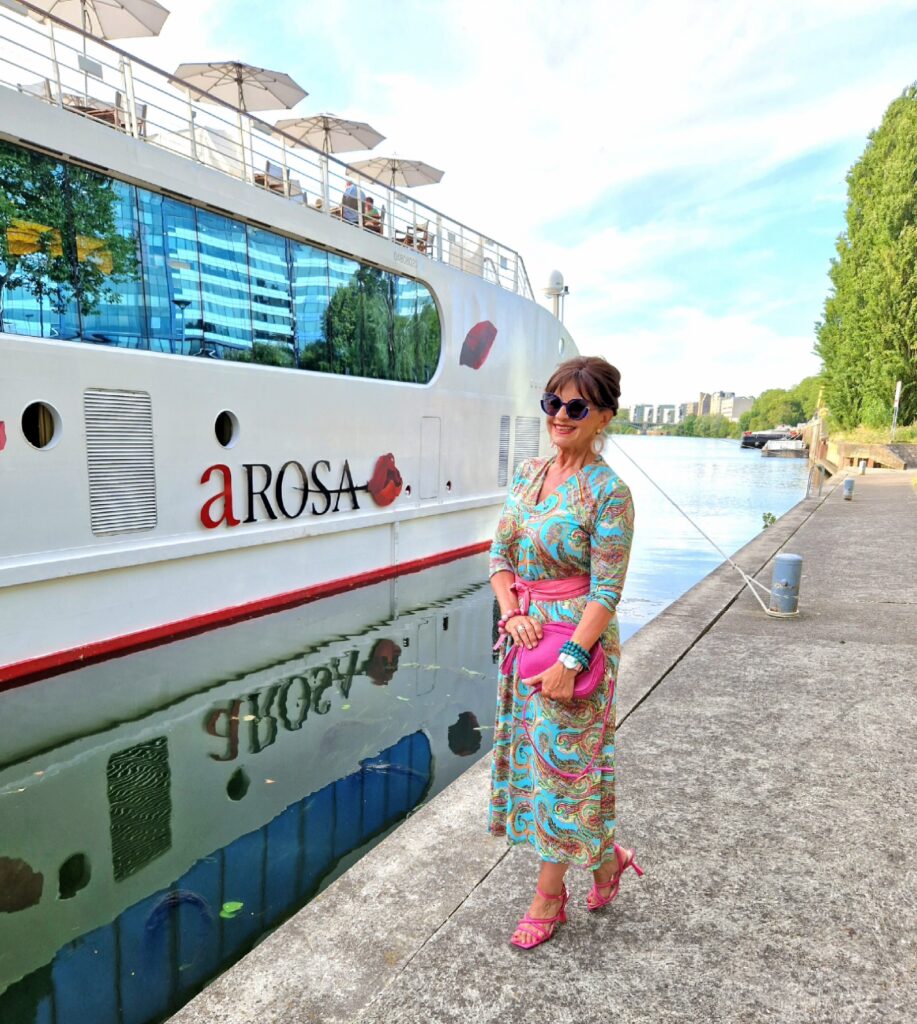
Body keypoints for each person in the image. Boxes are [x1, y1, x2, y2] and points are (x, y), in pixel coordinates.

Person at [488, 355, 642, 950]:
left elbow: (607, 591)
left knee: (561, 772)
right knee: (540, 770)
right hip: (525, 642)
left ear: (603, 415)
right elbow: (498, 554)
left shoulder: (611, 493)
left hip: (576, 652)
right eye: (552, 403)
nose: (560, 416)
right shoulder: (528, 473)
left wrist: (570, 662)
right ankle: (606, 861)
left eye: (576, 407)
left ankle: (549, 898)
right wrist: (513, 611)